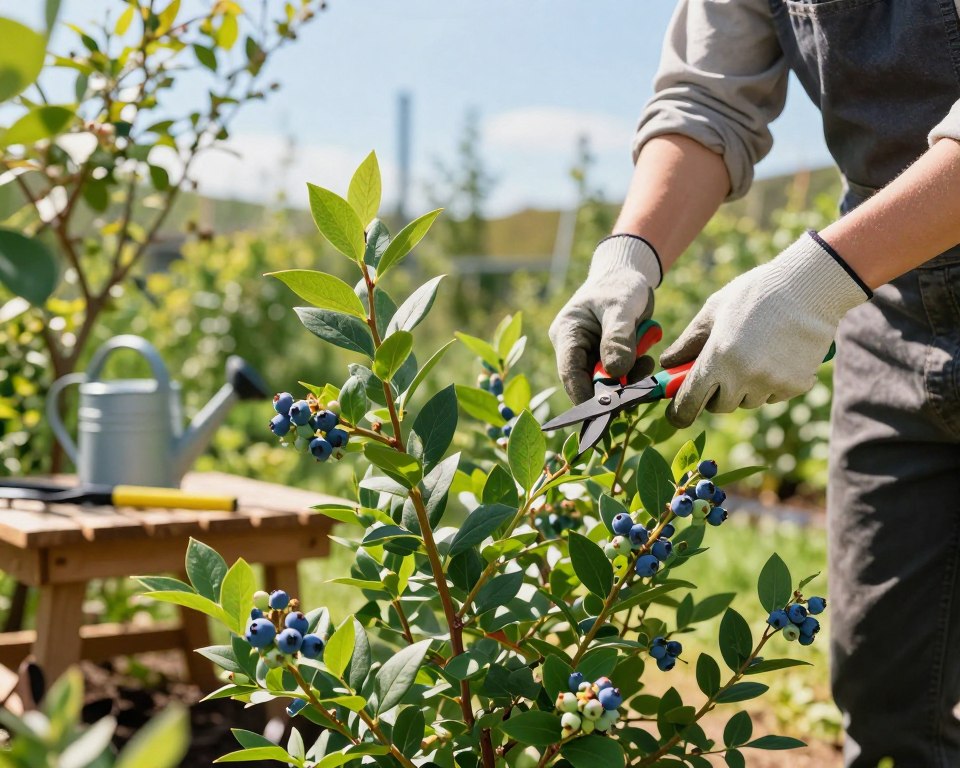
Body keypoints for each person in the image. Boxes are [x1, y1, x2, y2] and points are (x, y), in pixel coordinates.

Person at [549, 2, 960, 766]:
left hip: (857, 274)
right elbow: (707, 98)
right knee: (891, 700)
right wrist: (629, 254)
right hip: (887, 307)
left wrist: (821, 280)